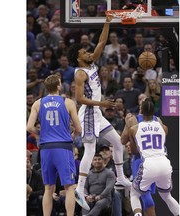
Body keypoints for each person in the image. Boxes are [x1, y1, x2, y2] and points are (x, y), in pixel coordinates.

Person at [67, 14, 131, 211]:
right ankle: (79, 189)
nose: (88, 53)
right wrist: (102, 103)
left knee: (118, 142)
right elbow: (79, 99)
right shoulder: (80, 73)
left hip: (97, 114)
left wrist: (107, 22)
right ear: (78, 57)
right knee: (89, 150)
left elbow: (102, 41)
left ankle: (120, 177)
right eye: (84, 52)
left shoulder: (92, 62)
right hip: (88, 113)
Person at [27, 74, 82, 216]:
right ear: (59, 86)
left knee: (48, 188)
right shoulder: (67, 102)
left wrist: (40, 133)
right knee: (69, 187)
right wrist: (73, 136)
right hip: (63, 147)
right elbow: (79, 129)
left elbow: (29, 127)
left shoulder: (38, 103)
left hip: (46, 148)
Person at [128, 99, 179, 216]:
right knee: (167, 196)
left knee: (134, 193)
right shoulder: (164, 127)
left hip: (148, 164)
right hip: (164, 163)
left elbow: (134, 150)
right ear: (154, 112)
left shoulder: (134, 129)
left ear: (141, 110)